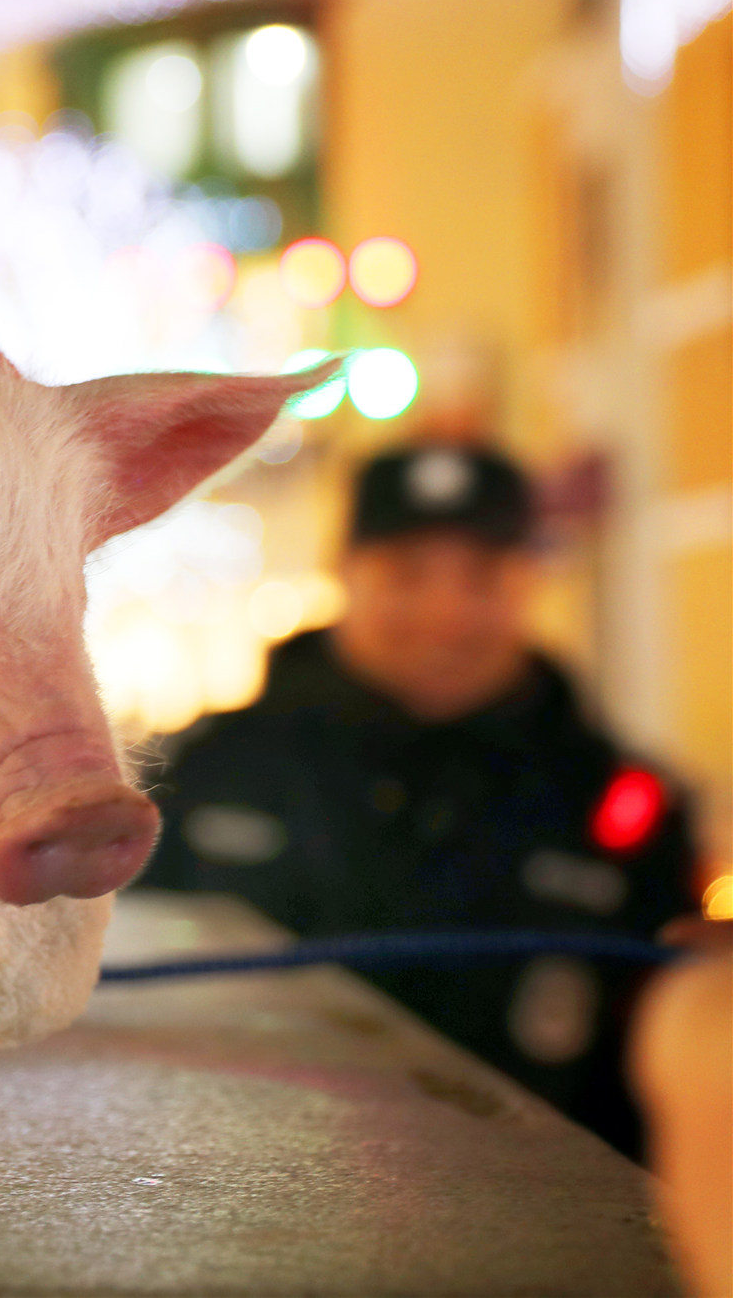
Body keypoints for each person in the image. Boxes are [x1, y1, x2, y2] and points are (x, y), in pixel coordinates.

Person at [137, 443, 699, 1158]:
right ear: (344, 572)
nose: (448, 612)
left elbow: (662, 1080)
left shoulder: (622, 803)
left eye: (483, 576)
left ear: (530, 581)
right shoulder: (202, 770)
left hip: (536, 1233)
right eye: (406, 575)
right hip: (235, 1191)